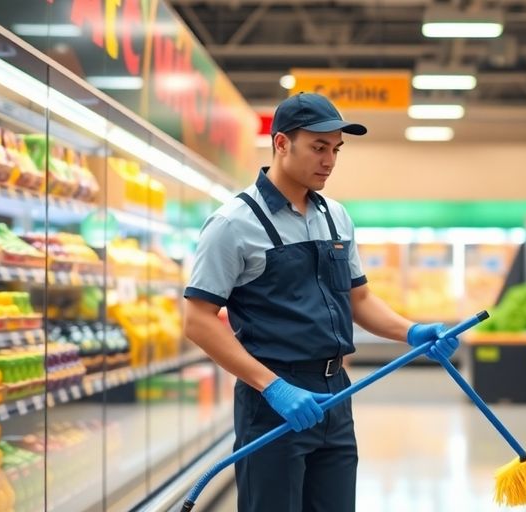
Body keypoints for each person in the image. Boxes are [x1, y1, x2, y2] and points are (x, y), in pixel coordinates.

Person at [182, 92, 460, 512]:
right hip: (273, 401)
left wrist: (413, 331)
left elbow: (359, 298)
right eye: (318, 147)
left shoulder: (336, 216)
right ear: (280, 143)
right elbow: (198, 320)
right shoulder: (232, 224)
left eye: (335, 150)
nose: (329, 160)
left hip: (335, 396)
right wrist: (273, 388)